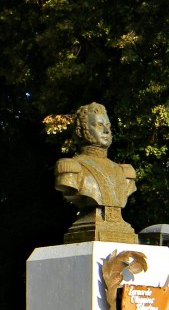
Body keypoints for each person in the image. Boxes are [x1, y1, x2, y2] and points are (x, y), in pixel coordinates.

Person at [55, 102, 138, 243]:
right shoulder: (73, 168)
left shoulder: (124, 172)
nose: (106, 131)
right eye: (99, 125)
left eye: (108, 126)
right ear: (81, 131)